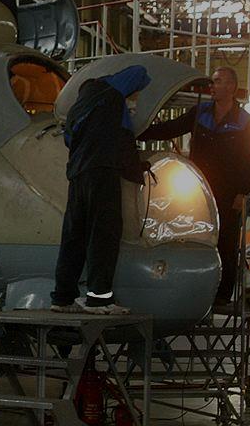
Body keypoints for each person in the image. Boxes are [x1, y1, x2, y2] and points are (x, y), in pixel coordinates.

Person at [139, 66, 250, 307]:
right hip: (198, 188)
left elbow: (249, 160)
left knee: (226, 240)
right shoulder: (199, 113)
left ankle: (222, 295)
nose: (212, 86)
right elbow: (170, 128)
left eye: (218, 81)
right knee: (193, 237)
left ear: (231, 87)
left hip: (229, 191)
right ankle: (194, 289)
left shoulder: (244, 121)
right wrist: (140, 131)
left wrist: (243, 192)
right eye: (213, 81)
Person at [52, 65, 152, 315]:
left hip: (78, 176)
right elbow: (125, 141)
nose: (136, 98)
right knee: (104, 234)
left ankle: (62, 298)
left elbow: (68, 140)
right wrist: (138, 169)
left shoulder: (79, 108)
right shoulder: (113, 98)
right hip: (103, 173)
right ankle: (99, 299)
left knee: (74, 236)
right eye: (136, 93)